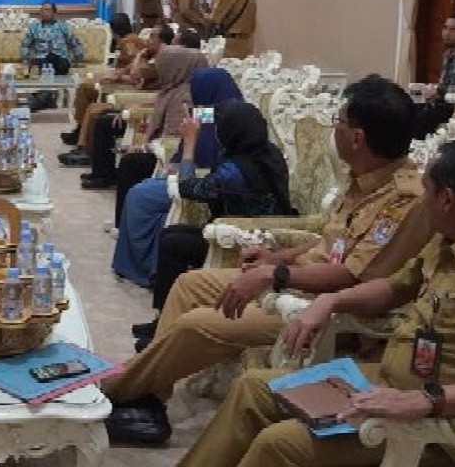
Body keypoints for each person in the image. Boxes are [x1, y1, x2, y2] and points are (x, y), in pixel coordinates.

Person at [182, 139, 455, 467]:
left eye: (426, 190)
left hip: (439, 427)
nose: (421, 199)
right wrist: (331, 301)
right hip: (388, 384)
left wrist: (426, 401)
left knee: (280, 445)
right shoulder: (451, 240)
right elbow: (393, 288)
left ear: (447, 199)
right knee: (253, 390)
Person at [103, 75, 430, 446]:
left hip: (321, 310)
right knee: (190, 284)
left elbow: (351, 275)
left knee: (197, 325)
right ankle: (149, 398)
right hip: (298, 280)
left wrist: (275, 274)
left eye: (337, 122)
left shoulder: (403, 200)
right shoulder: (362, 179)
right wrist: (275, 258)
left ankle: (111, 390)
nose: (332, 130)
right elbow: (327, 242)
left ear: (357, 138)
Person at [140, 102, 293, 347]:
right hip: (252, 229)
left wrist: (189, 143)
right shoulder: (266, 153)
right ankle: (163, 318)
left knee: (173, 243)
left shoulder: (235, 172)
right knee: (172, 234)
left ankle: (163, 326)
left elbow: (188, 187)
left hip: (242, 240)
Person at [108, 68, 243, 281]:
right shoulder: (208, 111)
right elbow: (186, 138)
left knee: (139, 196)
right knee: (141, 191)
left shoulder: (233, 119)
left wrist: (185, 153)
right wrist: (174, 157)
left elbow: (208, 157)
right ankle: (147, 265)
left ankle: (143, 267)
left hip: (203, 180)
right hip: (185, 174)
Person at [81, 46, 206, 190]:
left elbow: (175, 133)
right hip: (164, 144)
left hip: (170, 153)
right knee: (105, 119)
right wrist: (148, 124)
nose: (160, 69)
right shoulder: (174, 88)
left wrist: (144, 146)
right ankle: (102, 173)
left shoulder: (184, 96)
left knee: (130, 162)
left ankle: (106, 177)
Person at [59, 24, 173, 160]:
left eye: (152, 37)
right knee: (87, 90)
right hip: (134, 88)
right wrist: (117, 74)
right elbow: (128, 70)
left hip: (141, 94)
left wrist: (139, 56)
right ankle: (81, 137)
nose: (148, 40)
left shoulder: (161, 60)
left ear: (162, 42)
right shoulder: (150, 55)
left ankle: (86, 149)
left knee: (95, 110)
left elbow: (135, 73)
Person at [21, 1, 84, 111]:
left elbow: (74, 43)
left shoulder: (63, 26)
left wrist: (78, 59)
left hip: (59, 57)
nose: (44, 12)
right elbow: (25, 44)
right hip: (41, 57)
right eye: (42, 10)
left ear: (54, 13)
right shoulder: (34, 27)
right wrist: (26, 60)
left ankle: (42, 99)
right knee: (42, 65)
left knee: (62, 63)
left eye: (47, 10)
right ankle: (47, 98)